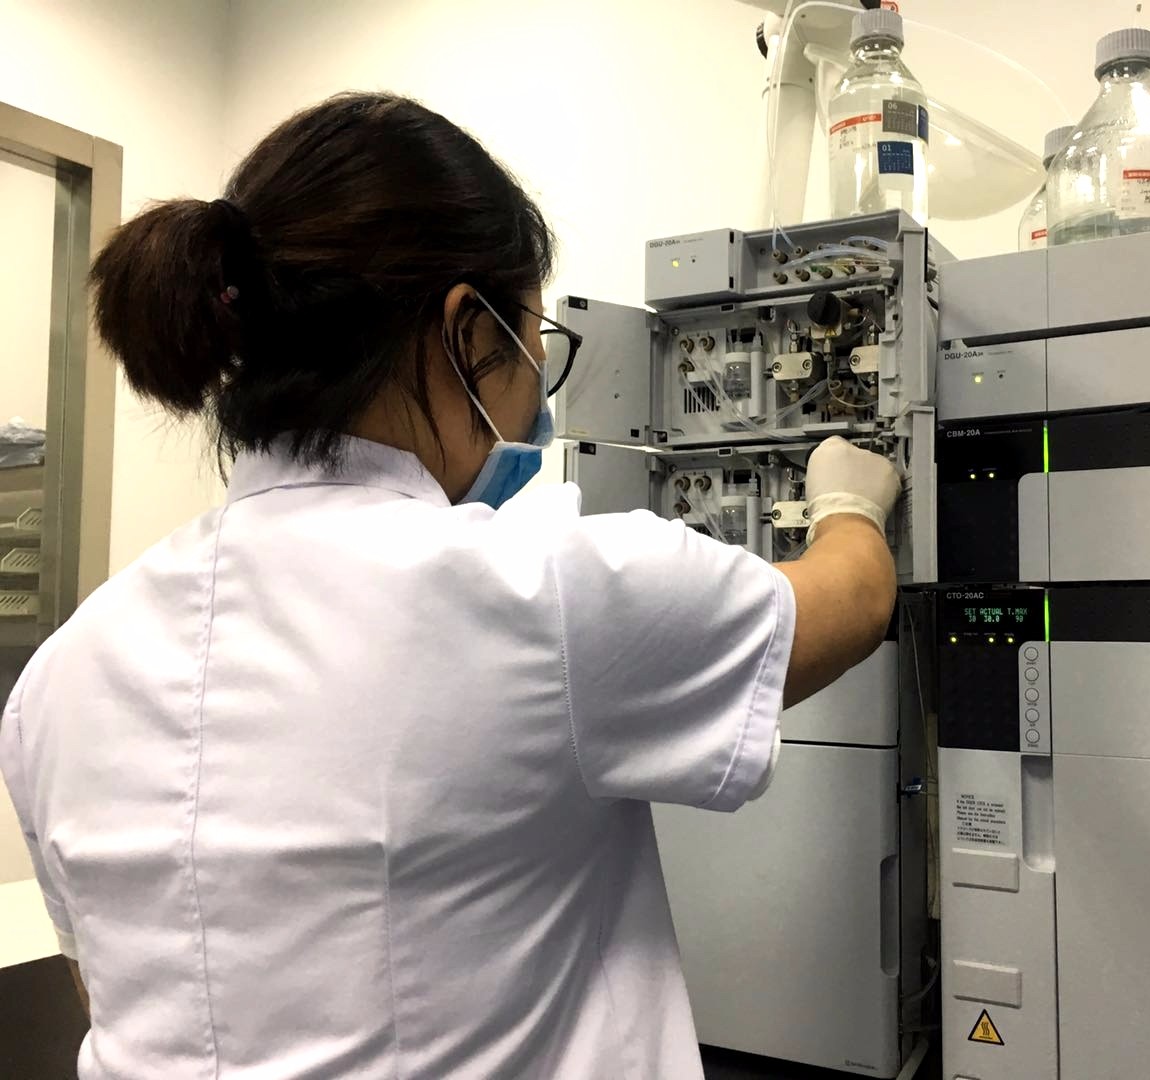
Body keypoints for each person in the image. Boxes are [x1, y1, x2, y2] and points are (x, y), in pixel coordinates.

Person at [0, 93, 901, 1078]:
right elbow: (852, 600)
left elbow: (104, 985)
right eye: (534, 350)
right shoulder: (543, 596)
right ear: (469, 333)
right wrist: (847, 502)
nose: (534, 398)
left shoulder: (59, 677)